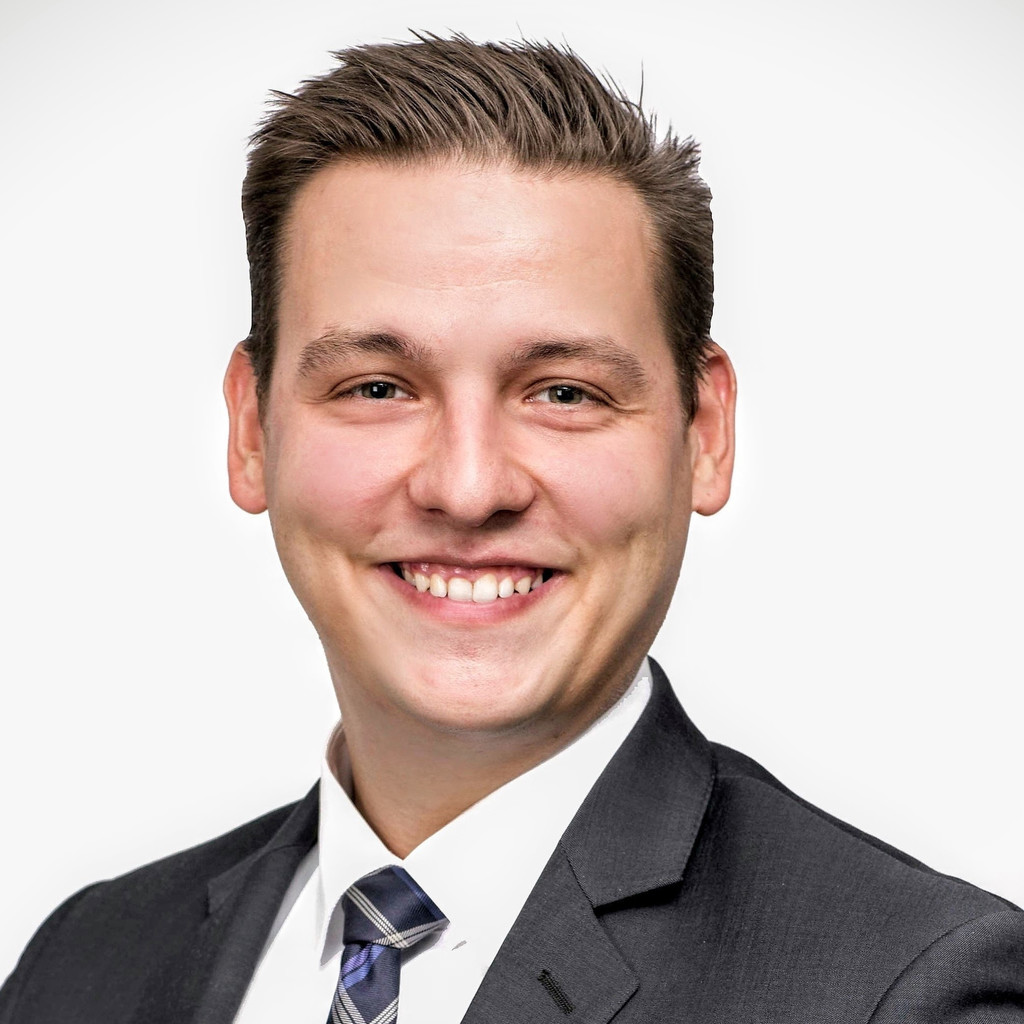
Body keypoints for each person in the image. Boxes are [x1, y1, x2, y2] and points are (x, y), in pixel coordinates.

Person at [2, 33, 1021, 1024]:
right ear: (251, 430)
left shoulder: (909, 989)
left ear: (704, 433)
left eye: (564, 391)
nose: (468, 485)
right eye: (377, 386)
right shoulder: (82, 965)